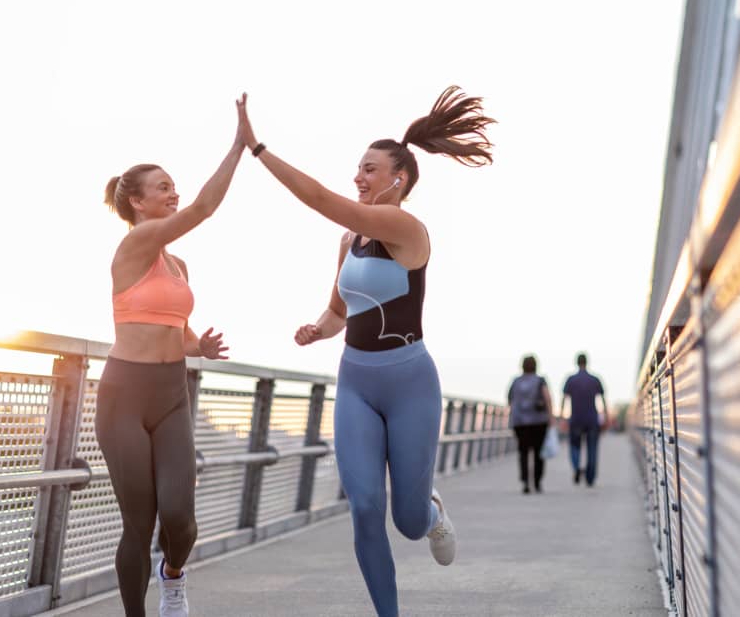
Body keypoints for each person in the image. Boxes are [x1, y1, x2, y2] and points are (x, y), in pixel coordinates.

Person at [235, 87, 494, 617]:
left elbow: (319, 199)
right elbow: (338, 310)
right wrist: (317, 327)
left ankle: (431, 509)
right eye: (358, 168)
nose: (359, 177)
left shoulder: (406, 229)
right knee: (365, 508)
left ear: (398, 179)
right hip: (356, 380)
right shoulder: (348, 238)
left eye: (370, 170)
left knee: (407, 521)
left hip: (409, 383)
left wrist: (257, 149)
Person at [96, 101, 245, 617]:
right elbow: (203, 209)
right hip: (125, 396)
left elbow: (173, 330)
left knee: (180, 519)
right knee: (138, 523)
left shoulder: (176, 262)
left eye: (172, 185)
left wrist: (196, 346)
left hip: (172, 393)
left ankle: (174, 576)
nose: (173, 192)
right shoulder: (135, 244)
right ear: (137, 203)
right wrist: (238, 146)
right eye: (163, 187)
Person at [508, 355, 554, 494]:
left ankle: (525, 482)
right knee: (538, 453)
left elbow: (510, 400)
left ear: (522, 366)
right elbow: (547, 398)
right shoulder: (540, 380)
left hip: (520, 422)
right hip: (538, 421)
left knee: (523, 452)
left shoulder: (516, 381)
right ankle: (537, 482)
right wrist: (551, 417)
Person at [560, 353, 608, 487]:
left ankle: (576, 468)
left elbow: (564, 399)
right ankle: (590, 478)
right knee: (592, 449)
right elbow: (603, 400)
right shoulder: (594, 379)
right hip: (592, 419)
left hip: (575, 418)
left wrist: (563, 418)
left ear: (577, 363)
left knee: (574, 446)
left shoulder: (570, 380)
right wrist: (606, 417)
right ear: (587, 363)